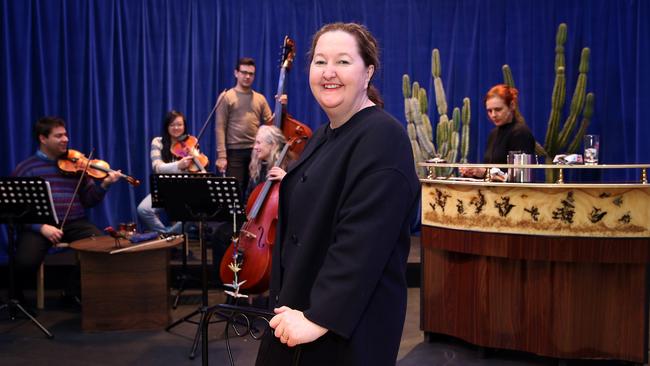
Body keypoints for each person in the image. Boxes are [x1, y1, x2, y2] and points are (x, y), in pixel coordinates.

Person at [255, 23, 420, 366]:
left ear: (368, 72)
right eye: (319, 61)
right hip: (299, 316)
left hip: (343, 332)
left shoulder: (382, 137)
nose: (329, 72)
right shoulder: (323, 135)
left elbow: (363, 241)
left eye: (343, 62)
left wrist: (319, 318)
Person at [11, 116, 121, 301]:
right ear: (43, 138)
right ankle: (17, 300)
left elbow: (88, 200)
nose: (66, 139)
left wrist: (104, 185)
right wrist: (41, 228)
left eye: (66, 135)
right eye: (59, 136)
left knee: (102, 248)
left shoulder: (76, 165)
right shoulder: (26, 168)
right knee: (25, 261)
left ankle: (71, 292)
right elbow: (17, 210)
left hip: (74, 222)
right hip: (41, 226)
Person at [215, 57, 273, 197]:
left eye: (251, 74)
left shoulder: (260, 98)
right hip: (234, 152)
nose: (247, 76)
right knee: (235, 192)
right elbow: (220, 127)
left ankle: (250, 220)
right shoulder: (226, 97)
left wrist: (282, 106)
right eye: (244, 72)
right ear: (236, 73)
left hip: (256, 152)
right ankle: (234, 220)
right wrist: (222, 156)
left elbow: (271, 124)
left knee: (254, 192)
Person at [137, 110, 198, 234]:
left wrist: (196, 162)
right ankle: (167, 235)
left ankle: (170, 238)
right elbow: (157, 168)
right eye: (172, 125)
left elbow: (195, 169)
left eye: (180, 124)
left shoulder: (191, 142)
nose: (176, 128)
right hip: (164, 189)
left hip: (185, 189)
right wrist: (178, 165)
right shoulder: (157, 142)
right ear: (167, 127)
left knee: (194, 211)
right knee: (143, 209)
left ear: (184, 126)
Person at [459, 84, 536, 178]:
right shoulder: (494, 134)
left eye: (498, 109)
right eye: (489, 111)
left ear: (512, 105)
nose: (493, 115)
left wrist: (484, 173)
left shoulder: (521, 133)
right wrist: (473, 173)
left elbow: (521, 176)